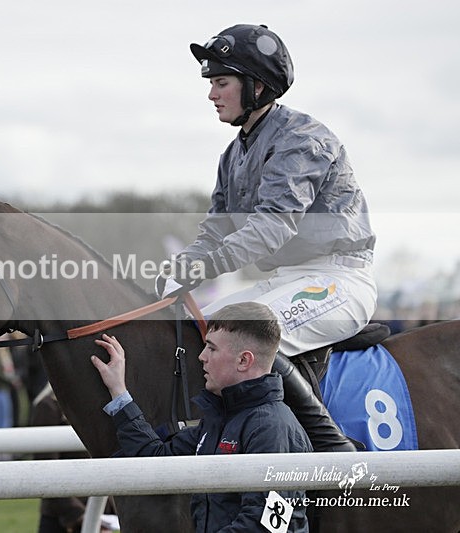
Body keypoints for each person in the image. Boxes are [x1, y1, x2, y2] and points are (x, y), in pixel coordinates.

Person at [165, 24, 377, 452]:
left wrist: (201, 268)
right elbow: (215, 231)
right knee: (202, 331)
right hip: (286, 277)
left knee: (250, 336)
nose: (211, 94)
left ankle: (333, 449)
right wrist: (176, 271)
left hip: (340, 279)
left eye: (221, 82)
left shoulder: (302, 138)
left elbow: (270, 227)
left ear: (257, 86)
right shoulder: (233, 154)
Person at [90, 302, 311, 532]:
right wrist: (119, 391)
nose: (201, 356)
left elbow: (266, 527)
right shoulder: (219, 421)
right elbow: (156, 458)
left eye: (212, 348)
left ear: (244, 360)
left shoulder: (272, 429)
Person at [29, 383, 117, 533]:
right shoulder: (48, 407)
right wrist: (77, 514)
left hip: (98, 511)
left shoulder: (95, 403)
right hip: (63, 515)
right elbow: (46, 470)